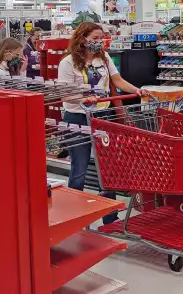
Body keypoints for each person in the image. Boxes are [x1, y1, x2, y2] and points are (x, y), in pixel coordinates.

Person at [58, 22, 148, 224]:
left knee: (107, 168)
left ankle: (110, 218)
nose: (99, 42)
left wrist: (136, 90)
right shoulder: (67, 62)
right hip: (77, 118)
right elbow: (64, 94)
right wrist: (82, 99)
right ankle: (74, 216)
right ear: (82, 39)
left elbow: (117, 81)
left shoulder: (104, 58)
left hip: (103, 117)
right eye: (95, 38)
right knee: (79, 168)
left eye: (101, 38)